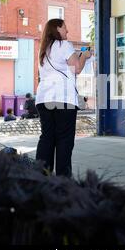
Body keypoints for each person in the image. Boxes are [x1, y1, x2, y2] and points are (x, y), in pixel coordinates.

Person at [35, 18, 93, 177]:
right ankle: (63, 180)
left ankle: (40, 177)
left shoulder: (43, 49)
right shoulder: (64, 45)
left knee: (47, 137)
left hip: (43, 98)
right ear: (57, 29)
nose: (67, 31)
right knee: (64, 139)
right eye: (65, 28)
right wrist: (84, 55)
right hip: (63, 99)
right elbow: (77, 68)